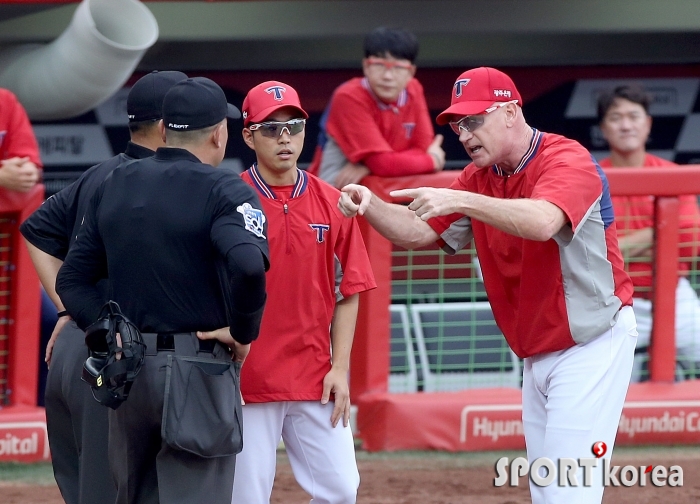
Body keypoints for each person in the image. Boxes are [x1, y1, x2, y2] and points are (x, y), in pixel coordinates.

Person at [338, 67, 637, 504]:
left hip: (592, 342)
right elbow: (420, 232)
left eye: (474, 120)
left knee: (566, 490)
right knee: (548, 489)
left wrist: (459, 198)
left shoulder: (565, 157)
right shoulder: (481, 177)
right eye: (458, 124)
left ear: (512, 112)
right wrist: (372, 206)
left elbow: (543, 221)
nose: (463, 133)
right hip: (537, 350)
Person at [55, 77, 269, 504]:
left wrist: (108, 329)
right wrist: (244, 332)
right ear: (218, 133)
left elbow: (71, 281)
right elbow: (247, 266)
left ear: (166, 130)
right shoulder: (224, 188)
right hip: (197, 368)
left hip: (129, 370)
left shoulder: (116, 182)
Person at [20, 70, 188, 504]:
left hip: (82, 350)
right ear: (168, 127)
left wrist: (68, 309)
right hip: (114, 357)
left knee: (93, 492)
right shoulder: (158, 184)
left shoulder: (99, 174)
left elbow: (35, 230)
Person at [227, 81, 375, 504]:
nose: (285, 137)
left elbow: (351, 290)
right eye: (271, 129)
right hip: (248, 378)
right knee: (245, 499)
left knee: (341, 491)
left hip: (315, 375)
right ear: (249, 135)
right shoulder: (227, 200)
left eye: (293, 126)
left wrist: (341, 368)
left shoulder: (334, 202)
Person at [598, 84, 700, 378]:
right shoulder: (591, 178)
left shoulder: (673, 173)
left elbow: (690, 243)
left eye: (634, 115)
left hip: (671, 294)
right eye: (616, 117)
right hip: (611, 300)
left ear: (648, 123)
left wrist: (620, 247)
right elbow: (590, 251)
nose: (626, 125)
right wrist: (658, 236)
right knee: (594, 375)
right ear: (604, 128)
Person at [307, 26, 445, 188]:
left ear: (411, 72)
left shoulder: (414, 89)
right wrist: (433, 159)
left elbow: (421, 147)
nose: (387, 76)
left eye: (398, 67)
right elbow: (383, 164)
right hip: (331, 192)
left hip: (385, 189)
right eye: (379, 65)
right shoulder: (348, 96)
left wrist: (371, 166)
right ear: (366, 66)